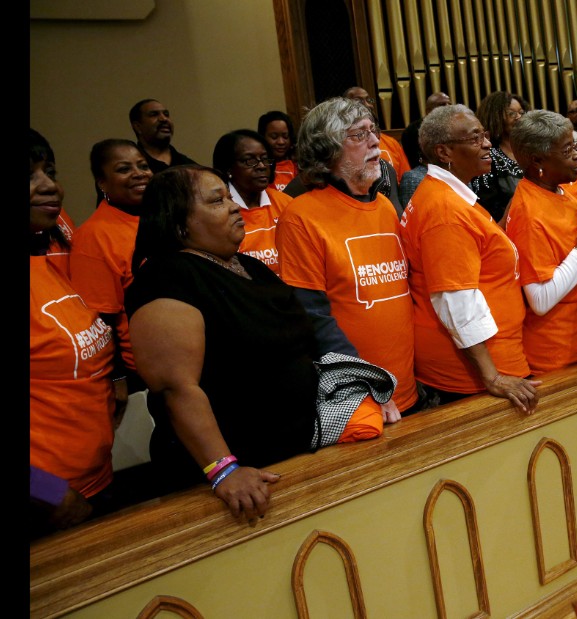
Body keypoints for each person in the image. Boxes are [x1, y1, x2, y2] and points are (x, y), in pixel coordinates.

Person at [126, 165, 395, 521]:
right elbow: (176, 388)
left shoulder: (251, 267)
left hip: (295, 451)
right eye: (216, 200)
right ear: (180, 223)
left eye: (227, 195)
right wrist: (223, 469)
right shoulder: (166, 277)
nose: (234, 206)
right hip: (233, 479)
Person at [277, 97, 418, 417]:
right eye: (358, 135)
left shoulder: (384, 206)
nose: (374, 142)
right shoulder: (301, 217)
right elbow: (312, 316)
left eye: (373, 131)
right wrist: (367, 385)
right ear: (326, 151)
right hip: (356, 397)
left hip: (407, 388)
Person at [400, 104, 541, 413]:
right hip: (473, 375)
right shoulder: (445, 211)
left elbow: (478, 249)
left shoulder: (449, 195)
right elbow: (454, 299)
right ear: (444, 151)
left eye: (485, 135)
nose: (488, 144)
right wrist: (492, 376)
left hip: (487, 360)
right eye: (475, 137)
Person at [30, 128, 127, 538]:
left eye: (48, 170)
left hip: (95, 480)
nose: (50, 185)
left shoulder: (49, 254)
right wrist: (50, 494)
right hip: (49, 504)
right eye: (29, 175)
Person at [503, 110, 577, 374]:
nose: (576, 155)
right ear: (537, 159)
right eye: (566, 151)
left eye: (574, 146)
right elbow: (540, 299)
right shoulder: (529, 213)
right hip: (560, 353)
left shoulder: (558, 190)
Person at [69, 139, 154, 393]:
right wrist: (117, 378)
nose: (139, 174)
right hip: (144, 373)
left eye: (142, 165)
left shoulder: (163, 215)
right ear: (102, 183)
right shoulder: (94, 236)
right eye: (124, 169)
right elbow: (100, 319)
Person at [212, 129, 293, 275]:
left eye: (265, 159)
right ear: (228, 167)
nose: (262, 166)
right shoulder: (218, 211)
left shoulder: (285, 203)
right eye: (250, 160)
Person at [470, 91, 530, 224]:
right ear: (495, 117)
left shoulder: (531, 150)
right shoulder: (488, 156)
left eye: (521, 112)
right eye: (511, 114)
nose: (519, 117)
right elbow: (487, 205)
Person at [344, 86, 411, 179]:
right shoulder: (345, 144)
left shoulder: (391, 143)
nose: (368, 105)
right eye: (359, 101)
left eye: (368, 100)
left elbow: (406, 181)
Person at [129, 99, 196, 175]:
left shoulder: (190, 167)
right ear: (138, 127)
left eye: (166, 114)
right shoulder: (132, 169)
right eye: (154, 114)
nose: (164, 119)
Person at [401, 91, 452, 169]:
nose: (447, 107)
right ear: (428, 111)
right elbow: (412, 160)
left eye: (449, 104)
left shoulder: (455, 127)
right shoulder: (411, 131)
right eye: (442, 105)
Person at [257, 110, 298, 192]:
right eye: (274, 137)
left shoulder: (298, 167)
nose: (281, 142)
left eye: (285, 137)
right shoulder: (258, 168)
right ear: (262, 137)